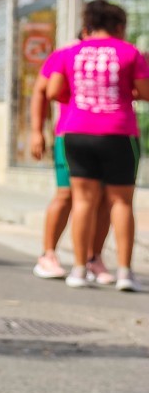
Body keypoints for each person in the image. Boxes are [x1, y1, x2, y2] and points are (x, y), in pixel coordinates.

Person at [44, 0, 149, 292]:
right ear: (119, 26)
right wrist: (122, 92)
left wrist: (84, 97)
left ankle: (78, 270)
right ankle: (124, 273)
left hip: (77, 130)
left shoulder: (71, 52)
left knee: (82, 201)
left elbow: (53, 91)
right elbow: (145, 91)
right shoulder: (130, 52)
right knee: (121, 202)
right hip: (118, 132)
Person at [30, 17, 112, 282]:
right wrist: (37, 130)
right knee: (66, 195)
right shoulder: (65, 54)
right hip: (71, 134)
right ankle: (47, 254)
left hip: (106, 136)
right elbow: (41, 91)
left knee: (103, 198)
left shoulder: (114, 54)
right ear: (86, 32)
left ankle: (93, 257)